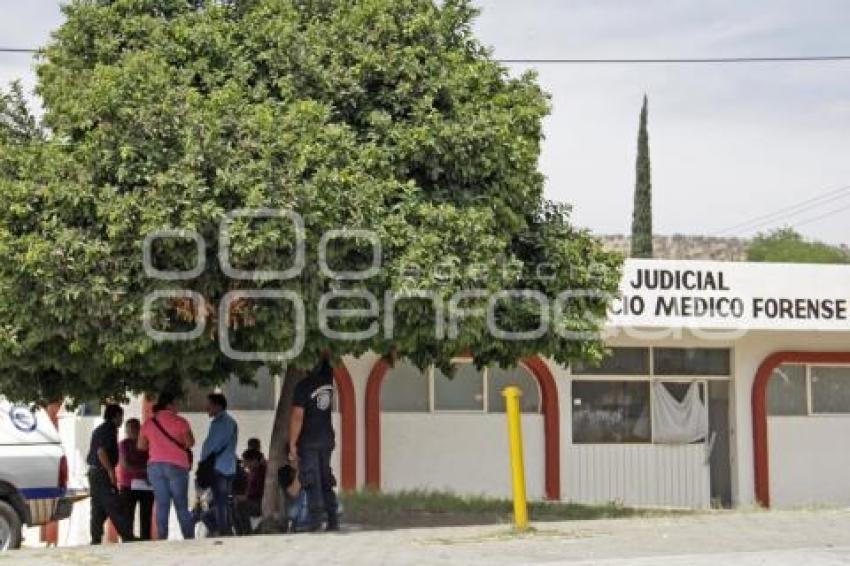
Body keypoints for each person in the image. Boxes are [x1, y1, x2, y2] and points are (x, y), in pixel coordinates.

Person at [289, 357, 339, 531]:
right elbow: (329, 359)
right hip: (327, 439)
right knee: (326, 479)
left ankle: (316, 520)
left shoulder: (302, 387)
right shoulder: (328, 381)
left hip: (309, 440)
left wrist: (292, 444)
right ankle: (333, 519)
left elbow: (297, 417)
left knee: (312, 480)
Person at [139, 392, 195, 540]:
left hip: (155, 467)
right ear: (169, 405)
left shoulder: (149, 423)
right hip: (177, 466)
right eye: (176, 404)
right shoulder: (180, 421)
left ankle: (162, 539)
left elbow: (141, 446)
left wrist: (156, 444)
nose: (177, 407)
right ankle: (189, 538)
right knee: (181, 504)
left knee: (162, 504)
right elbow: (190, 443)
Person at [86, 404, 135, 544]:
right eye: (121, 416)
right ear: (116, 416)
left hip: (94, 473)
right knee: (115, 504)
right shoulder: (108, 430)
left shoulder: (100, 429)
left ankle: (95, 538)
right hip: (102, 473)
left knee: (98, 507)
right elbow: (101, 451)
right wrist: (110, 471)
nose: (122, 420)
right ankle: (127, 536)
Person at [200, 393, 238, 537]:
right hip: (228, 467)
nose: (206, 407)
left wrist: (204, 459)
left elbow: (213, 446)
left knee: (220, 501)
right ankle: (226, 528)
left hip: (219, 467)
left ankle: (224, 530)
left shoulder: (222, 422)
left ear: (217, 405)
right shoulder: (229, 421)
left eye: (209, 404)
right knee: (223, 500)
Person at [118, 418, 153, 541]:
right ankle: (128, 541)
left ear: (140, 429)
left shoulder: (147, 443)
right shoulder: (124, 444)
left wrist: (150, 474)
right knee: (128, 516)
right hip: (128, 486)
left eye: (135, 428)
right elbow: (126, 465)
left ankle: (146, 542)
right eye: (129, 429)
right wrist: (145, 471)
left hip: (147, 485)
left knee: (146, 517)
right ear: (126, 430)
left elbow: (153, 461)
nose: (132, 431)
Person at [234, 448, 266, 535]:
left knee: (240, 506)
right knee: (233, 505)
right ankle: (239, 532)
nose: (244, 464)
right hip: (253, 500)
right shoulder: (252, 473)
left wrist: (243, 497)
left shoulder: (261, 472)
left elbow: (257, 492)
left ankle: (247, 531)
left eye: (246, 461)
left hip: (260, 503)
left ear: (254, 461)